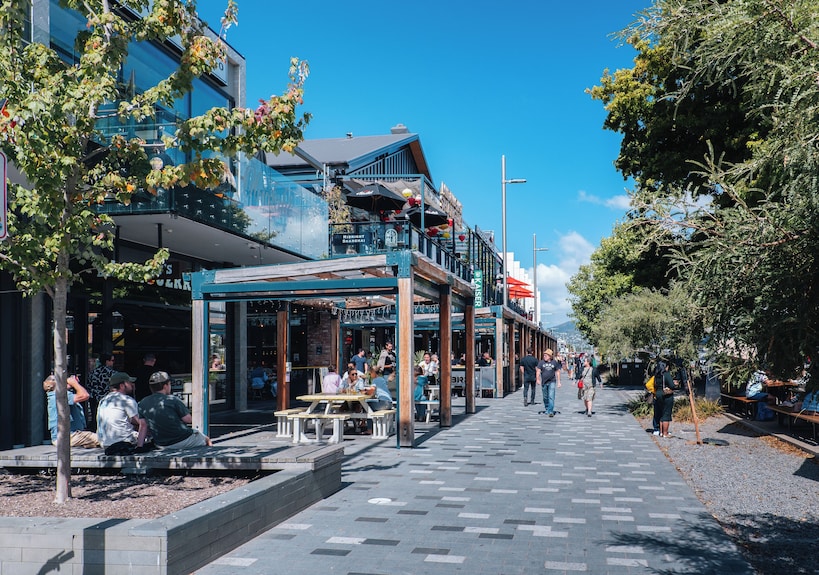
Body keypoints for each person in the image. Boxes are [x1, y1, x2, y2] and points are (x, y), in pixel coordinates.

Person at [139, 371, 211, 448]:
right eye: (170, 384)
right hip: (182, 439)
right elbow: (188, 419)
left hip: (161, 444)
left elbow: (143, 426)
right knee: (206, 439)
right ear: (165, 386)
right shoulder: (172, 400)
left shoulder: (142, 402)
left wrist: (139, 446)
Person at [96, 372, 149, 454]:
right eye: (129, 382)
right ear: (122, 385)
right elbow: (142, 424)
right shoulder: (126, 400)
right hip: (123, 442)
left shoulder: (103, 400)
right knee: (149, 436)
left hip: (105, 443)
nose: (132, 384)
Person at [43, 374, 99, 448]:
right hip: (69, 437)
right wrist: (74, 383)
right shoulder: (61, 395)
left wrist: (70, 384)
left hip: (61, 437)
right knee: (103, 439)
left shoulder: (53, 395)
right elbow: (85, 395)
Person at [87, 353, 117, 431]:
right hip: (106, 399)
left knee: (95, 417)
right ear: (107, 361)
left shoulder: (93, 372)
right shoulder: (112, 373)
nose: (113, 362)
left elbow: (89, 385)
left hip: (94, 398)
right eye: (112, 360)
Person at [654, 361, 678, 438]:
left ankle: (661, 432)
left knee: (661, 414)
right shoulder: (666, 374)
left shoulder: (656, 375)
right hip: (666, 395)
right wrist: (675, 384)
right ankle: (665, 433)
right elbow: (672, 385)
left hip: (658, 394)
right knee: (666, 414)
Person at [537, 348, 562, 417]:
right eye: (544, 355)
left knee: (551, 396)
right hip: (544, 382)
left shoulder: (554, 363)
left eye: (546, 355)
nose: (544, 356)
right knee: (545, 397)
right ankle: (547, 408)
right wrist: (538, 379)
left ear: (550, 356)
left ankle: (550, 411)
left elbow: (558, 372)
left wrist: (559, 382)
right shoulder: (541, 362)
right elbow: (538, 371)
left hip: (552, 381)